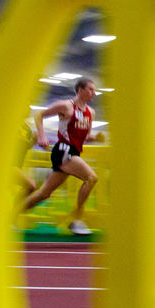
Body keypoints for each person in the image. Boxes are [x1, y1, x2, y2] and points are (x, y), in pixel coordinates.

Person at [18, 78, 98, 235]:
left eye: (94, 90)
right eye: (90, 89)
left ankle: (10, 215)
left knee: (44, 193)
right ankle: (76, 220)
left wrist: (95, 138)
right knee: (91, 178)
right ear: (80, 90)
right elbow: (39, 114)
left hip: (74, 151)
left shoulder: (91, 113)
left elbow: (86, 136)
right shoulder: (66, 106)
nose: (93, 93)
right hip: (63, 150)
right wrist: (41, 136)